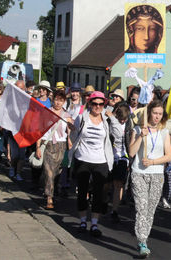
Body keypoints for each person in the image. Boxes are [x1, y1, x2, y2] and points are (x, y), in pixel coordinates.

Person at [128, 99, 171, 257]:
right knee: (141, 207)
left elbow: (168, 156)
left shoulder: (164, 131)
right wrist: (141, 136)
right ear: (149, 113)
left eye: (160, 114)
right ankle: (142, 241)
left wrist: (152, 161)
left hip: (157, 174)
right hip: (139, 173)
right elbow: (131, 153)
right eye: (155, 113)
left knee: (150, 210)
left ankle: (144, 236)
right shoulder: (138, 129)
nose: (157, 117)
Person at [69, 91, 113, 237]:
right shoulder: (82, 118)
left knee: (99, 194)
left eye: (101, 104)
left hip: (101, 160)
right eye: (95, 103)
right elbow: (73, 136)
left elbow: (118, 133)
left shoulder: (107, 119)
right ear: (90, 103)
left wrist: (115, 120)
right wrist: (73, 131)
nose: (98, 107)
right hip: (83, 158)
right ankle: (82, 221)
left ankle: (94, 224)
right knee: (82, 191)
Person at [36, 90, 72, 209]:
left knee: (56, 173)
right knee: (49, 172)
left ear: (64, 102)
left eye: (61, 100)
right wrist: (38, 147)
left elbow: (71, 131)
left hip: (61, 146)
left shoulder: (66, 115)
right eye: (56, 99)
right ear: (53, 100)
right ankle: (49, 198)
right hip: (48, 144)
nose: (58, 102)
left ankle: (51, 190)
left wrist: (70, 138)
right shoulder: (46, 113)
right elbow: (40, 131)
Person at [106, 102, 132, 223]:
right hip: (109, 155)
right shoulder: (111, 121)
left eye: (125, 119)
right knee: (107, 184)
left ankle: (115, 210)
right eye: (121, 119)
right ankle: (104, 200)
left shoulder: (129, 125)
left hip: (123, 157)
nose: (123, 121)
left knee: (119, 184)